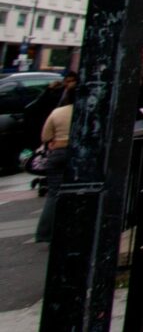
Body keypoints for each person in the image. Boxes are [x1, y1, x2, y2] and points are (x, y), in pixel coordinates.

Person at [34, 85, 74, 243]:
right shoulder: (88, 111)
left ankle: (45, 233)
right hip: (79, 155)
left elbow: (45, 136)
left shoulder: (57, 112)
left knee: (54, 193)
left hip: (58, 152)